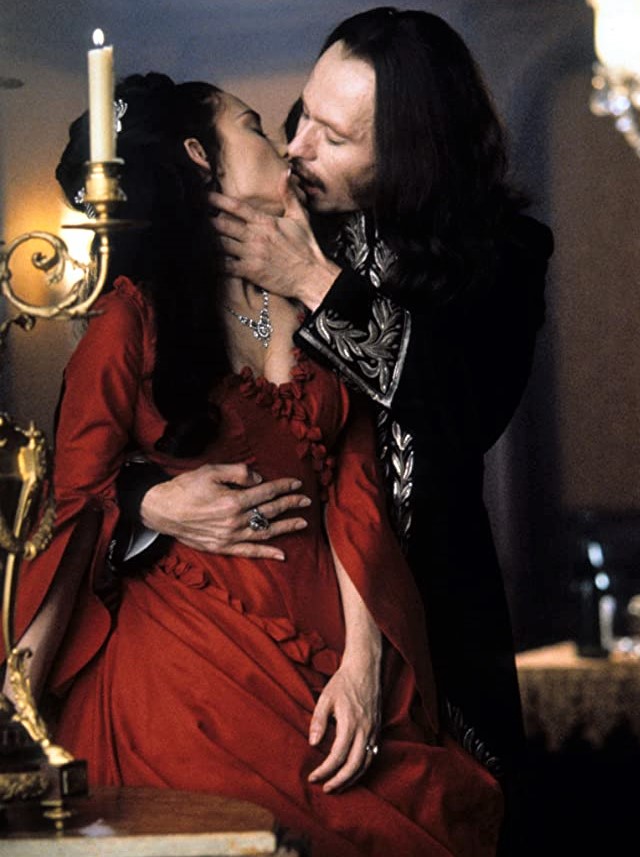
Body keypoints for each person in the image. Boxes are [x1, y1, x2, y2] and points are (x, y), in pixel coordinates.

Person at [4, 72, 504, 857]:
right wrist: (15, 711)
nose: (283, 143)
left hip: (330, 657)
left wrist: (364, 665)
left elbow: (357, 495)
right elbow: (69, 511)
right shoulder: (129, 317)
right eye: (255, 125)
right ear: (200, 155)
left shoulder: (304, 301)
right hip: (188, 675)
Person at [132, 4, 554, 800]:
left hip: (434, 611)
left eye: (334, 136)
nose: (296, 147)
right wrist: (147, 499)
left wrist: (312, 282)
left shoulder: (503, 253)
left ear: (411, 155)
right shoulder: (267, 213)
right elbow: (147, 400)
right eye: (302, 115)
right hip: (276, 610)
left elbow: (462, 412)